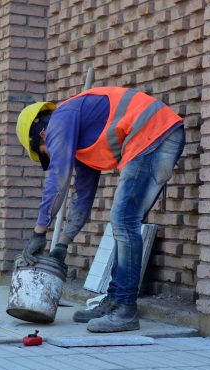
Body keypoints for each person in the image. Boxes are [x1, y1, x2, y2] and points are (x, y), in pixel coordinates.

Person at [16, 86, 185, 333]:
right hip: (154, 135)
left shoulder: (60, 119)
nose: (52, 154)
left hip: (153, 133)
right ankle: (116, 300)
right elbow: (82, 198)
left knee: (124, 220)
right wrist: (62, 243)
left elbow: (58, 181)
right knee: (125, 222)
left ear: (42, 134)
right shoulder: (82, 140)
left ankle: (126, 309)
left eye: (45, 152)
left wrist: (38, 233)